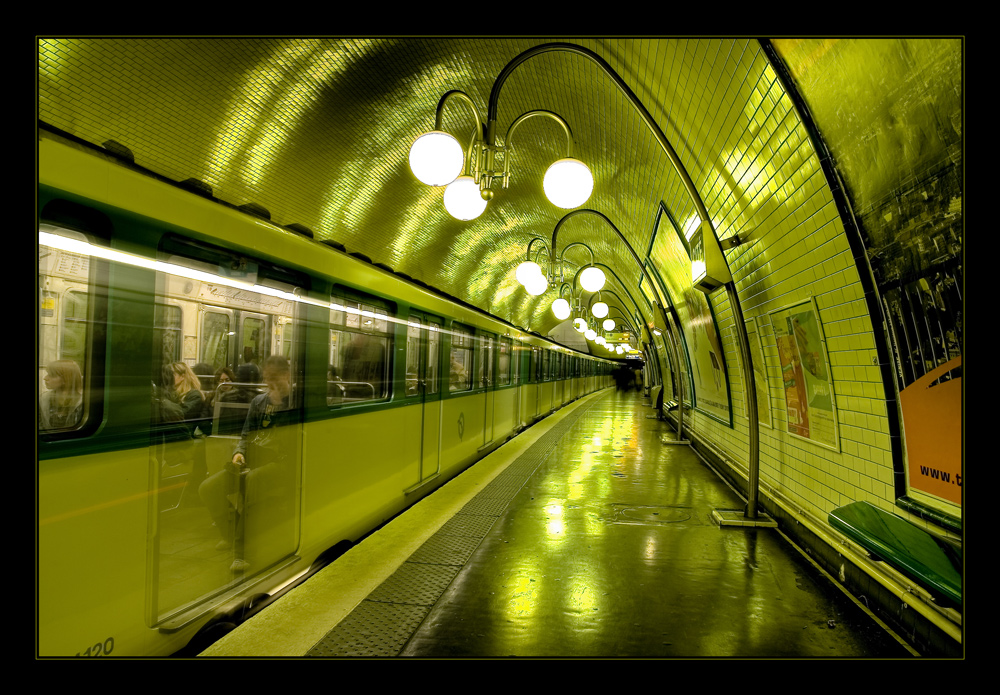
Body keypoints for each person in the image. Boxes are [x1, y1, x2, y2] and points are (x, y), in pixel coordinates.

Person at [199, 355, 295, 572]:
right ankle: (232, 534)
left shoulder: (294, 403)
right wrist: (239, 454)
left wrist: (281, 402)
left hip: (282, 462)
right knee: (208, 489)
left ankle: (243, 552)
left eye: (274, 377)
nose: (270, 382)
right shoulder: (259, 402)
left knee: (252, 481)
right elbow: (245, 435)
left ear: (286, 376)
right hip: (254, 458)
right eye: (267, 377)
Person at [39, 360, 83, 430]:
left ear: (66, 379)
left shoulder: (83, 402)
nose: (45, 378)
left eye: (51, 375)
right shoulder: (43, 398)